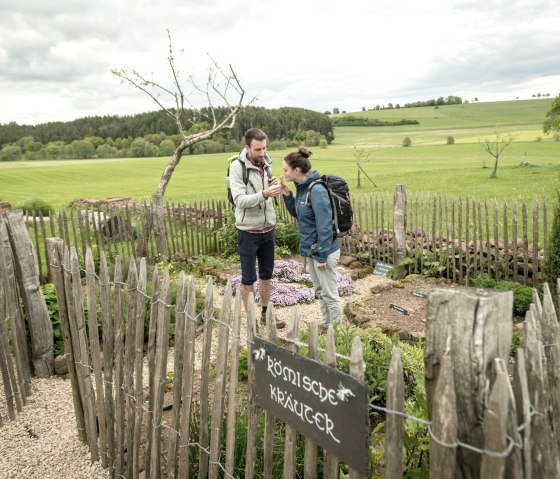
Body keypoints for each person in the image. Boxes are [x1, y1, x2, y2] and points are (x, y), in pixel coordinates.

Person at [280, 146, 342, 330]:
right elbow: (300, 215)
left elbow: (324, 225)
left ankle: (338, 332)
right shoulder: (301, 188)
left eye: (285, 170)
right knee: (320, 291)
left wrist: (322, 255)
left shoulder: (317, 190)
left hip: (324, 251)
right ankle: (326, 325)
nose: (283, 173)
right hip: (312, 251)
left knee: (330, 293)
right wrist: (287, 195)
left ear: (296, 170)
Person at [229, 128, 286, 329]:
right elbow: (239, 200)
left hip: (268, 229)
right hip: (248, 231)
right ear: (247, 147)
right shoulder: (237, 167)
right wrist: (264, 193)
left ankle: (266, 314)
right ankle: (251, 320)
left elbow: (269, 190)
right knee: (248, 279)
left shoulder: (266, 163)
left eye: (264, 148)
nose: (262, 153)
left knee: (266, 275)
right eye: (258, 149)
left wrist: (275, 185)